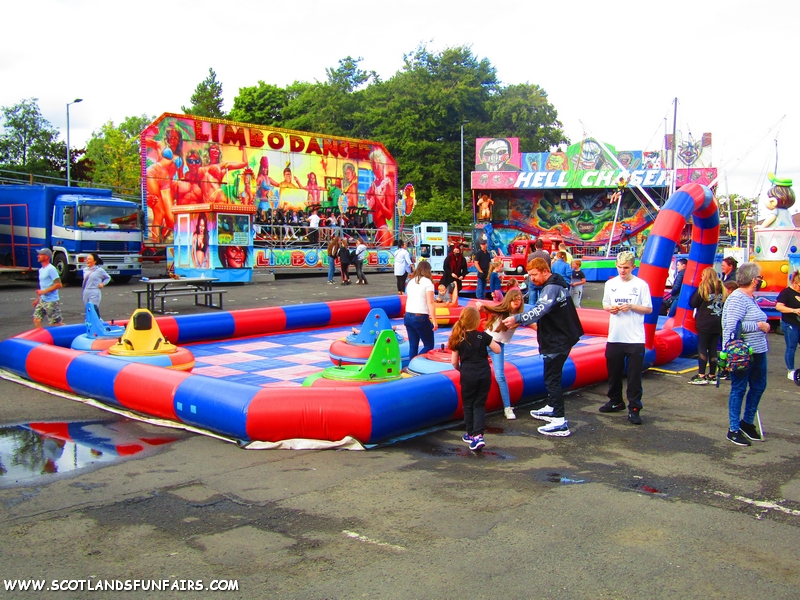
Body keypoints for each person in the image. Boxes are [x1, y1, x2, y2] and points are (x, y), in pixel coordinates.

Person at [503, 259, 584, 436]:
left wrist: (517, 319)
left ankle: (559, 421)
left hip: (557, 339)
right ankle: (552, 406)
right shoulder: (557, 284)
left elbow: (540, 309)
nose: (531, 279)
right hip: (561, 337)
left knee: (552, 379)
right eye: (530, 275)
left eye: (534, 275)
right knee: (551, 376)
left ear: (544, 271)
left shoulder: (552, 288)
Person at [599, 250, 653, 425]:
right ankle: (616, 401)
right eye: (620, 267)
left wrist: (631, 306)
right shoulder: (610, 284)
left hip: (635, 338)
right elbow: (605, 303)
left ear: (633, 267)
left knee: (634, 376)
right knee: (613, 373)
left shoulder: (641, 285)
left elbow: (649, 309)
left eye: (626, 268)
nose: (622, 271)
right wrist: (610, 309)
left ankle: (635, 407)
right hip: (615, 336)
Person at [721, 262, 769, 446]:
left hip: (758, 350)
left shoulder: (750, 298)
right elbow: (731, 326)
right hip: (742, 352)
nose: (760, 281)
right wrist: (758, 326)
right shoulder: (738, 299)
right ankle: (733, 428)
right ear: (753, 280)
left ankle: (747, 422)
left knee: (758, 386)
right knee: (739, 388)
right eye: (759, 277)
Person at [449, 306, 501, 451]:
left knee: (468, 404)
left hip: (468, 374)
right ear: (477, 321)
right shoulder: (483, 336)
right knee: (479, 404)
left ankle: (471, 433)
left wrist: (461, 369)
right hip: (484, 373)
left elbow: (454, 362)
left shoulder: (458, 338)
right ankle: (478, 434)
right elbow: (497, 349)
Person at [478, 289, 525, 420]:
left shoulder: (520, 316)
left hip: (498, 346)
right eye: (514, 299)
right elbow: (489, 309)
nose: (516, 302)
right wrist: (481, 307)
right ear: (508, 300)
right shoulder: (502, 310)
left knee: (500, 376)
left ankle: (507, 407)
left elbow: (532, 324)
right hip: (486, 341)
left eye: (519, 299)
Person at [688, 267, 726, 384]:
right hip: (717, 320)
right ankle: (712, 374)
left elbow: (692, 303)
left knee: (703, 347)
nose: (701, 277)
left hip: (705, 321)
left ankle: (701, 374)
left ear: (706, 276)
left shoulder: (703, 287)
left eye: (702, 275)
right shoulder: (722, 288)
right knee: (713, 348)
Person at [404, 260, 438, 361]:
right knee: (429, 344)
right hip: (420, 316)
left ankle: (411, 364)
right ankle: (416, 361)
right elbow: (430, 302)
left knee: (413, 345)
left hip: (408, 315)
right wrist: (435, 321)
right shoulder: (428, 283)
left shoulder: (411, 281)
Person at [775, 271, 800, 381]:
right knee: (791, 347)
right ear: (795, 282)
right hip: (790, 323)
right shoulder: (786, 293)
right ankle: (791, 370)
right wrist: (794, 310)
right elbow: (779, 307)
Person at [32, 248, 63, 328]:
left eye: (40, 255)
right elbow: (43, 286)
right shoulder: (41, 270)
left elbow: (59, 284)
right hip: (43, 300)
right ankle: (40, 338)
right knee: (36, 319)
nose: (38, 256)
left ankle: (70, 333)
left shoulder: (51, 269)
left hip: (52, 301)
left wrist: (44, 292)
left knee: (55, 324)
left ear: (46, 257)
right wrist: (38, 298)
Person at [81, 252, 111, 316]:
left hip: (94, 291)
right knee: (87, 309)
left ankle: (98, 321)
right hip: (86, 291)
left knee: (93, 308)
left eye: (89, 259)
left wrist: (103, 284)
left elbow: (108, 277)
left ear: (94, 261)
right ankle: (88, 321)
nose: (87, 260)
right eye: (87, 259)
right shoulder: (85, 270)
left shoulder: (99, 270)